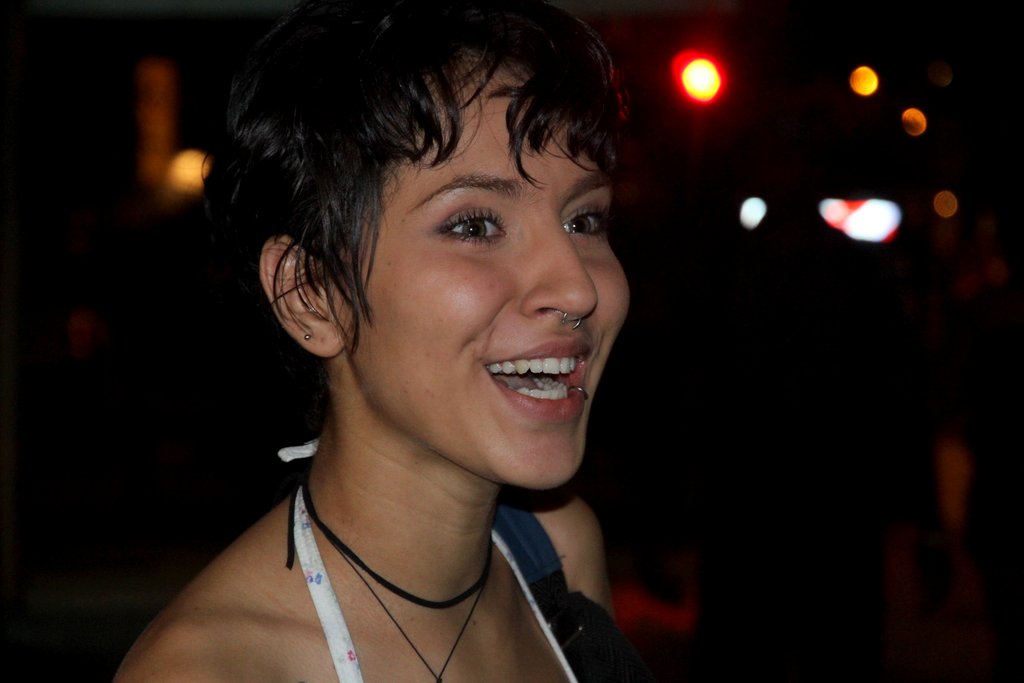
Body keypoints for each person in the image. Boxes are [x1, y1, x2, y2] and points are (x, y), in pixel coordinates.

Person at [113, 0, 656, 681]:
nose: (577, 289)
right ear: (311, 293)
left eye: (585, 220)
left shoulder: (558, 549)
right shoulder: (212, 669)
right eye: (475, 225)